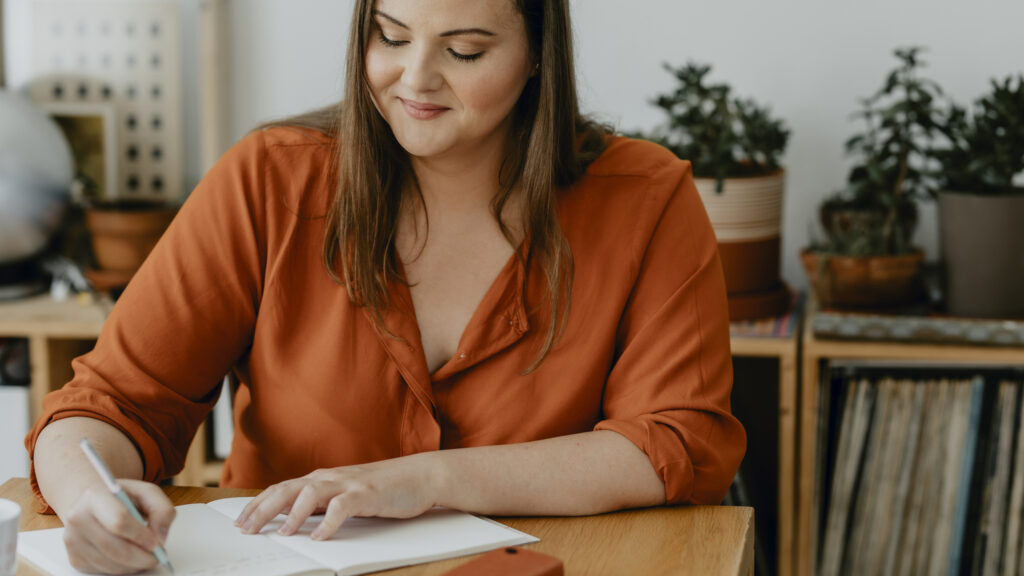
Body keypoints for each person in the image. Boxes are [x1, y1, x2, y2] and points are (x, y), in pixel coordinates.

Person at [27, 0, 746, 573]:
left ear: (537, 57)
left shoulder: (645, 199)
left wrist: (423, 480)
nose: (415, 78)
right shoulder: (270, 180)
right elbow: (110, 405)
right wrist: (93, 499)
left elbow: (675, 442)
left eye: (464, 50)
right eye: (391, 36)